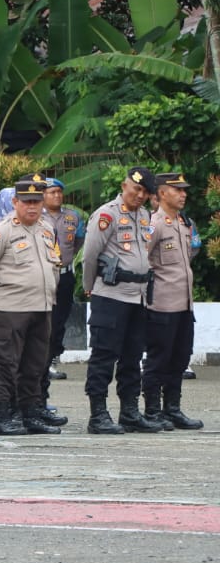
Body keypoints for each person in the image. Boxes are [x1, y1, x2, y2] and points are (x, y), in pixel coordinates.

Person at [0, 175, 66, 435]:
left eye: (37, 201)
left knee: (35, 365)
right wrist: (7, 291)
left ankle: (30, 414)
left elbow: (55, 266)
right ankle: (2, 416)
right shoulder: (1, 232)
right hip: (10, 309)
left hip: (42, 307)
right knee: (6, 365)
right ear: (15, 202)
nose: (32, 206)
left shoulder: (47, 229)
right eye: (26, 201)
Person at [82, 166, 163, 434]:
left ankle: (129, 411)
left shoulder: (144, 215)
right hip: (111, 295)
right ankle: (98, 414)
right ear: (124, 185)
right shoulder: (107, 214)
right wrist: (89, 288)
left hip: (138, 297)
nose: (140, 195)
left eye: (145, 192)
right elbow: (90, 256)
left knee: (132, 357)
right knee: (104, 356)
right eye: (136, 188)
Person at [143, 172, 204, 430]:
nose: (183, 194)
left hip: (183, 303)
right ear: (162, 193)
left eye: (184, 190)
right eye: (177, 190)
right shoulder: (154, 224)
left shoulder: (183, 223)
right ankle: (153, 411)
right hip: (162, 304)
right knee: (159, 358)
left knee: (180, 357)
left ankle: (173, 409)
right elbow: (142, 259)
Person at [42, 178, 84, 382]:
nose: (57, 195)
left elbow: (78, 242)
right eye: (52, 192)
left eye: (59, 191)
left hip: (65, 274)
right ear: (42, 195)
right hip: (43, 275)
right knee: (43, 319)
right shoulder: (36, 216)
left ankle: (52, 360)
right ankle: (40, 360)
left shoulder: (72, 217)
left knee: (60, 319)